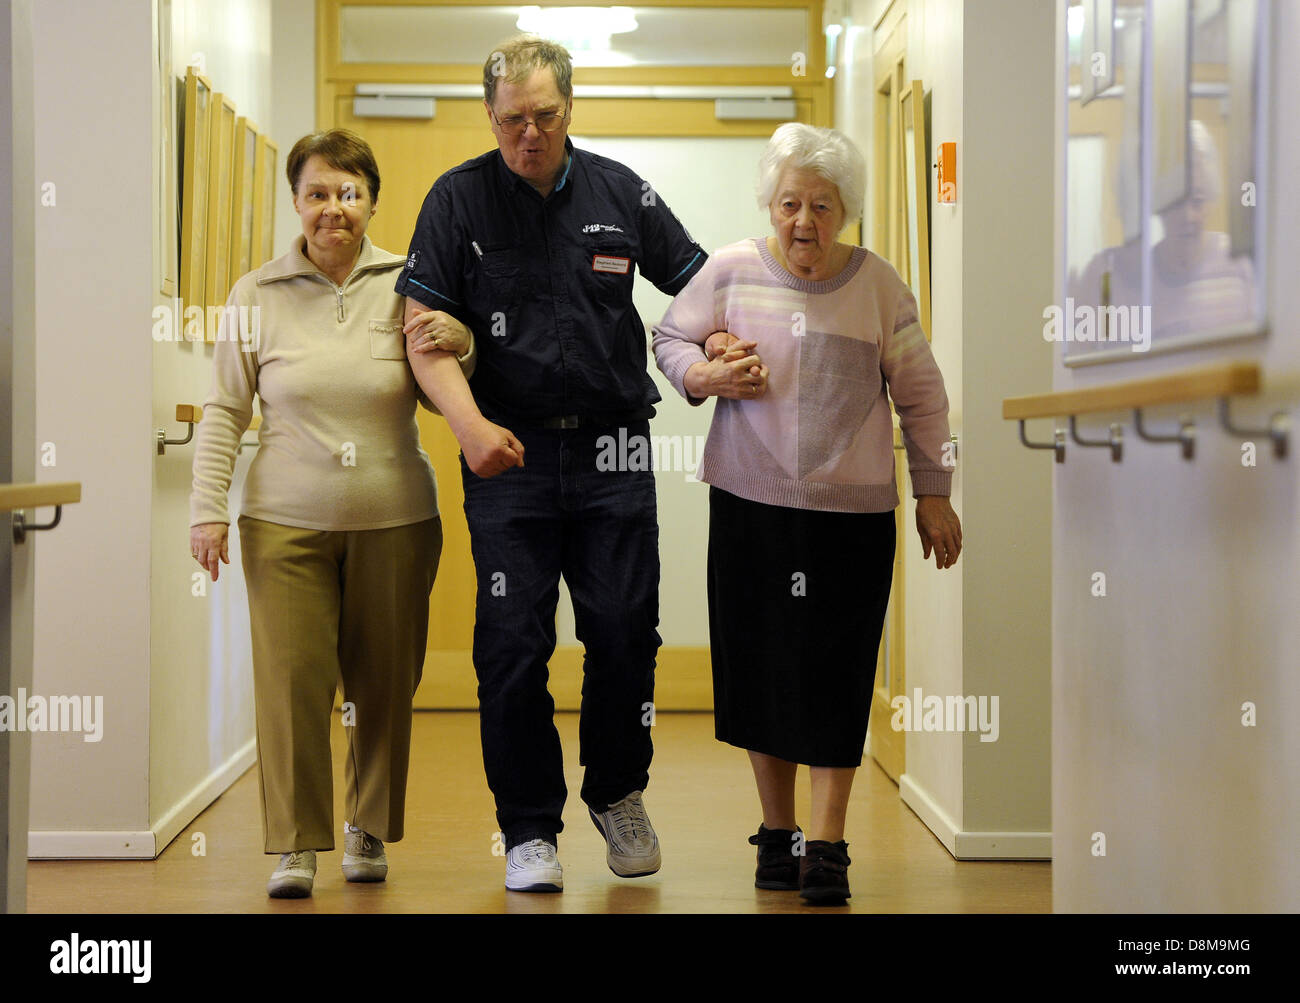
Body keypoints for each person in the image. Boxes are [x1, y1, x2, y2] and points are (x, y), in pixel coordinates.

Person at [395, 35, 706, 892]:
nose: (527, 134)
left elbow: (698, 283)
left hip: (612, 447)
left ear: (570, 108)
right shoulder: (456, 201)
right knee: (510, 643)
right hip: (510, 453)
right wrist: (467, 426)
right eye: (509, 120)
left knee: (622, 630)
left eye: (544, 116)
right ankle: (530, 827)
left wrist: (716, 345)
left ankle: (616, 792)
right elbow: (421, 335)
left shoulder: (619, 192)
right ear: (489, 117)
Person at [651, 122, 962, 905]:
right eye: (789, 203)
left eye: (821, 206)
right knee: (760, 669)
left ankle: (827, 842)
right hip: (751, 504)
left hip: (851, 517)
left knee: (837, 671)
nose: (803, 223)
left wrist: (934, 490)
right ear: (770, 204)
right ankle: (777, 833)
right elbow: (669, 337)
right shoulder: (727, 271)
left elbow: (922, 396)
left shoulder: (881, 286)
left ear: (845, 212)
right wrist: (707, 374)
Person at [189, 129, 474, 898]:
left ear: (372, 202)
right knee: (291, 684)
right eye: (317, 193)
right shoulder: (256, 293)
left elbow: (447, 373)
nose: (333, 209)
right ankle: (295, 843)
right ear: (296, 202)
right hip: (283, 522)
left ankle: (367, 827)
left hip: (396, 519)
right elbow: (223, 408)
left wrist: (466, 339)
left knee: (383, 683)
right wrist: (206, 509)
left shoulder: (411, 281)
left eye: (349, 193)